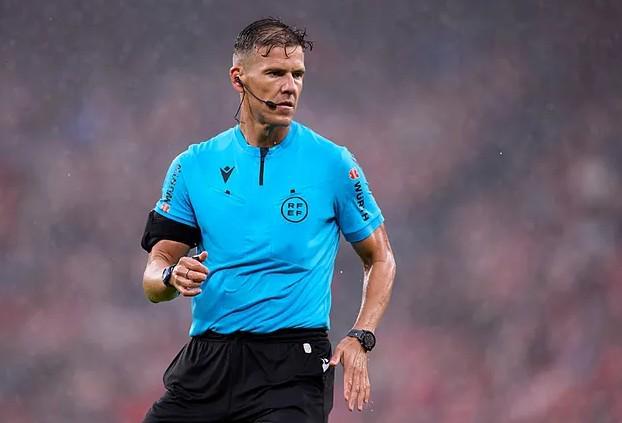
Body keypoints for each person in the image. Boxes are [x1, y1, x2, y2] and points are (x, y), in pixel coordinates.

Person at [140, 17, 396, 423]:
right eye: (275, 73)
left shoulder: (333, 164)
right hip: (208, 362)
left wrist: (361, 336)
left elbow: (380, 257)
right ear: (238, 78)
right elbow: (154, 278)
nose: (290, 86)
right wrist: (171, 276)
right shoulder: (192, 165)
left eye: (298, 74)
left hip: (292, 367)